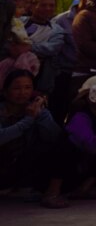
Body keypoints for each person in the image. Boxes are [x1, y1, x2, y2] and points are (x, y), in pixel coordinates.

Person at [0, 69, 67, 208]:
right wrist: (28, 120)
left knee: (63, 142)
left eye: (27, 88)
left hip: (24, 164)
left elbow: (54, 136)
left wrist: (41, 113)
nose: (23, 92)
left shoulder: (35, 109)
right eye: (17, 88)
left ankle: (51, 192)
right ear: (5, 91)